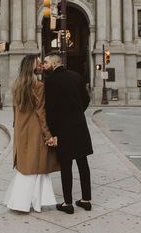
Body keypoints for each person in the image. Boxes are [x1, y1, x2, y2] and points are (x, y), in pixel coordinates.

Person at [4, 54, 59, 213]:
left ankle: (26, 201)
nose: (41, 65)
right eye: (39, 64)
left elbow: (15, 111)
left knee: (27, 166)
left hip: (21, 129)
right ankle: (25, 202)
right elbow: (41, 112)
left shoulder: (17, 84)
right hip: (35, 130)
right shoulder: (39, 86)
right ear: (32, 67)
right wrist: (47, 134)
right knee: (35, 166)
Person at [43, 52, 93, 214]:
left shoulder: (50, 81)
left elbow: (50, 110)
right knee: (83, 163)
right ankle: (86, 200)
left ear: (55, 63)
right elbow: (86, 100)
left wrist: (53, 133)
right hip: (79, 125)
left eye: (46, 62)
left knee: (66, 165)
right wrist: (77, 113)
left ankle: (68, 203)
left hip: (62, 129)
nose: (43, 65)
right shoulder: (77, 76)